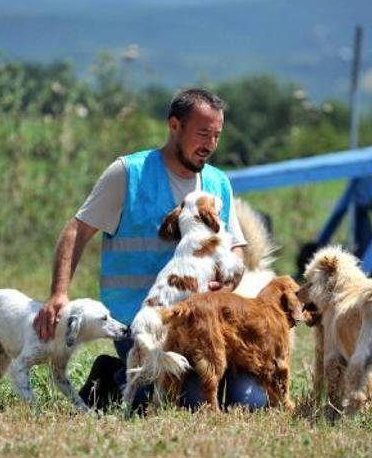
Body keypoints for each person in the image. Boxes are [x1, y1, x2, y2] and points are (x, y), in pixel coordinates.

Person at [33, 88, 268, 410]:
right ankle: (113, 378)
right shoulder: (128, 173)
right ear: (174, 126)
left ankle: (126, 376)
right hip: (141, 324)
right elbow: (77, 230)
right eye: (202, 133)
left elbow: (236, 248)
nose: (210, 145)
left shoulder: (218, 183)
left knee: (248, 402)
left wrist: (229, 282)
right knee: (180, 402)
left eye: (217, 135)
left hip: (200, 325)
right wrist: (59, 294)